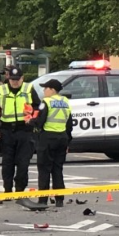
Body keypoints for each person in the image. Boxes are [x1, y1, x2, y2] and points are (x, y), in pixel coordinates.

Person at [0, 67, 41, 193]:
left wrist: (33, 120)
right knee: (7, 163)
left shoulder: (28, 89)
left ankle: (19, 189)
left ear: (22, 78)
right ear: (8, 78)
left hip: (25, 130)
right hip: (7, 131)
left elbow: (37, 107)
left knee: (23, 163)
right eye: (12, 79)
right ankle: (7, 189)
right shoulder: (2, 90)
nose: (15, 82)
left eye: (17, 79)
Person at [35, 79, 73, 207]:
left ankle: (42, 200)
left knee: (44, 169)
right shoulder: (65, 101)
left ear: (52, 89)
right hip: (62, 138)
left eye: (45, 88)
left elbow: (40, 121)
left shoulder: (46, 102)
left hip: (47, 138)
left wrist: (30, 122)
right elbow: (69, 124)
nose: (44, 91)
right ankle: (59, 199)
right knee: (57, 169)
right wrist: (68, 141)